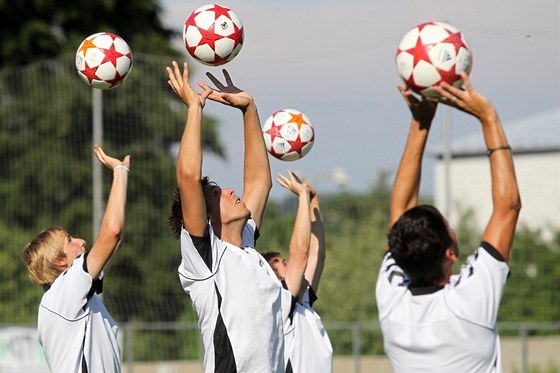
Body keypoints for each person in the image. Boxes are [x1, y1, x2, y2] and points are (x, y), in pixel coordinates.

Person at [376, 73, 522, 372]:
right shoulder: (469, 303)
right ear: (450, 252)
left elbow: (401, 210)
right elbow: (508, 206)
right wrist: (489, 118)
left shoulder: (393, 303)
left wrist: (420, 123)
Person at [166, 61, 286, 372]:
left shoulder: (246, 245)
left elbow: (260, 181)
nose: (231, 191)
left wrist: (249, 110)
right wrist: (194, 109)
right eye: (217, 194)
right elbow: (189, 176)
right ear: (206, 219)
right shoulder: (205, 257)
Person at [22, 145, 130, 373]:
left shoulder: (69, 296)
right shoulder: (64, 292)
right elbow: (112, 232)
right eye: (70, 240)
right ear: (60, 262)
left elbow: (116, 239)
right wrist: (119, 171)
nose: (81, 241)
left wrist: (121, 178)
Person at [262, 178, 333, 373]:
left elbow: (317, 253)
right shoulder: (282, 303)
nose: (294, 266)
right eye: (285, 265)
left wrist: (313, 199)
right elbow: (301, 252)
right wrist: (302, 197)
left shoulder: (302, 303)